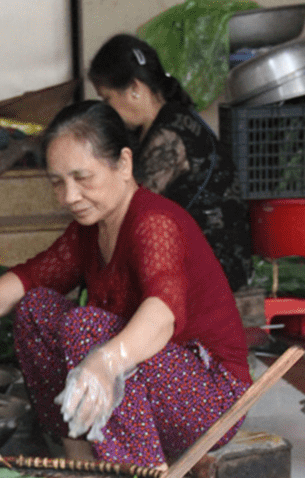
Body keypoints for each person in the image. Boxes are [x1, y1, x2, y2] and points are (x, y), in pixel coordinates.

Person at [0, 101, 251, 468]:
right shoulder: (91, 229)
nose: (69, 196)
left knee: (86, 328)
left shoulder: (155, 222)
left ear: (123, 164)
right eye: (57, 183)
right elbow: (33, 277)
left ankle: (139, 474)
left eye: (82, 178)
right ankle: (77, 455)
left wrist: (107, 361)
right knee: (36, 311)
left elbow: (162, 316)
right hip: (151, 384)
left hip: (212, 400)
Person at [88, 33, 252, 291]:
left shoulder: (171, 134)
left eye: (107, 98)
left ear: (135, 89)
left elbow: (131, 207)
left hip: (217, 265)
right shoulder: (157, 125)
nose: (107, 109)